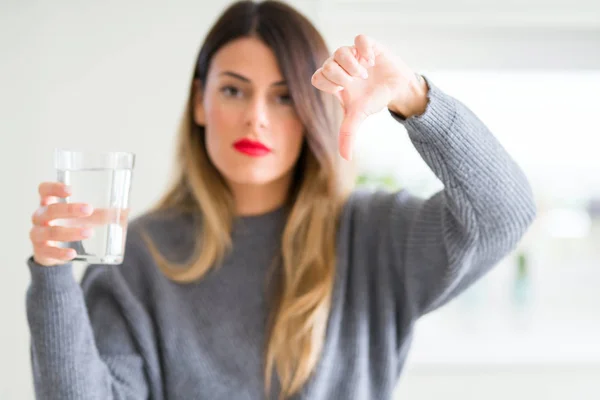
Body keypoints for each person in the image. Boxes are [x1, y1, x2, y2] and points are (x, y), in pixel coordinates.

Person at [25, 1, 537, 399]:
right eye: (233, 90)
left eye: (284, 95)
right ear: (200, 102)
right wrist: (51, 275)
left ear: (314, 108)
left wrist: (415, 96)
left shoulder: (371, 236)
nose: (256, 118)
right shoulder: (139, 258)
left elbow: (504, 212)